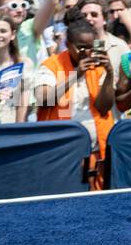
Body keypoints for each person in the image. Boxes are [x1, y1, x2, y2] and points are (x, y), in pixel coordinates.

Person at [33, 19, 115, 189]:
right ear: (68, 44)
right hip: (62, 152)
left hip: (95, 150)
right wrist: (76, 74)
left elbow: (104, 107)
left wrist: (110, 75)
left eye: (91, 46)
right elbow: (43, 99)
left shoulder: (97, 65)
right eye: (81, 47)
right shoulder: (51, 65)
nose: (87, 52)